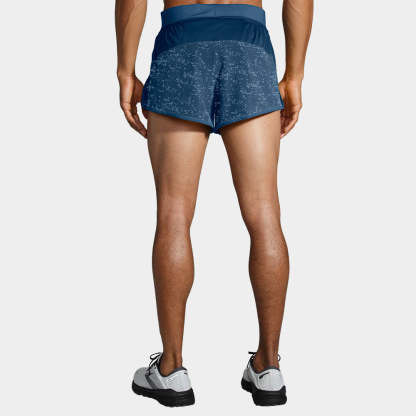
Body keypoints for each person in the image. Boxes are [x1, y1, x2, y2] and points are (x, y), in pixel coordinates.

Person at [115, 0, 312, 407]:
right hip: (249, 46)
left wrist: (124, 69)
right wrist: (294, 74)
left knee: (174, 214)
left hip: (181, 44)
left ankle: (171, 370)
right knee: (265, 215)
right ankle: (268, 367)